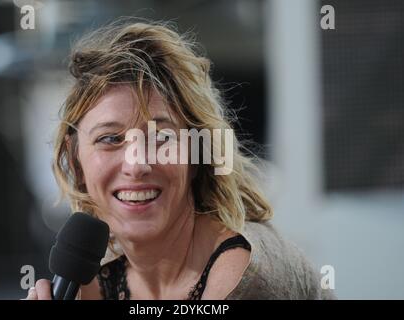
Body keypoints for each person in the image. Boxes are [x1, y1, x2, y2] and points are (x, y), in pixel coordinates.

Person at [26, 19, 334, 300]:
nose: (136, 165)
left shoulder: (247, 280)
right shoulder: (95, 277)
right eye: (110, 139)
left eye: (162, 138)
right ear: (74, 157)